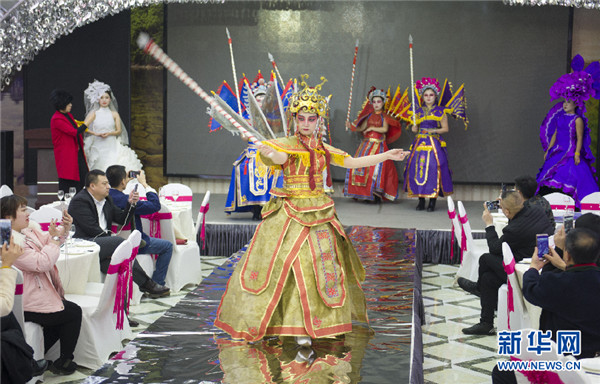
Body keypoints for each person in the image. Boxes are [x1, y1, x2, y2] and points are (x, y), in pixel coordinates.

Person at [214, 76, 408, 346]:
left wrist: (386, 156)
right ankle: (287, 324)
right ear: (295, 119)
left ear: (318, 120)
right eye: (301, 118)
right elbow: (280, 158)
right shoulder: (286, 145)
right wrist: (268, 152)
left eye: (311, 118)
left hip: (321, 214)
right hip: (290, 213)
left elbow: (351, 162)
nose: (306, 123)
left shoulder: (322, 147)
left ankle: (317, 323)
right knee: (288, 267)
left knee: (323, 268)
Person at [492, 228, 600, 383]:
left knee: (502, 371)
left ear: (567, 254)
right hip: (594, 363)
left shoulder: (557, 283)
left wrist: (534, 268)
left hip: (565, 361)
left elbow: (530, 290)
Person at [1, 194, 82, 375]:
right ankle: (63, 362)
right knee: (73, 312)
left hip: (38, 293)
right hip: (26, 301)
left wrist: (63, 229)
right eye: (22, 210)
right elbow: (42, 263)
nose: (28, 213)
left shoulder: (27, 231)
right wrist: (54, 240)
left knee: (65, 312)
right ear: (8, 217)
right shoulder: (10, 243)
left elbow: (48, 240)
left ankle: (35, 356)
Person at [457, 190, 554, 335]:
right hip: (538, 258)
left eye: (503, 209)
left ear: (507, 211)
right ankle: (486, 323)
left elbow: (495, 249)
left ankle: (478, 288)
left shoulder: (514, 229)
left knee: (486, 258)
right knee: (488, 278)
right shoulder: (536, 210)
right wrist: (508, 209)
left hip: (525, 269)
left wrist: (489, 225)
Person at [68, 170, 169, 298]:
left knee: (122, 263)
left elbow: (123, 219)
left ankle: (127, 300)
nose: (108, 187)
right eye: (104, 184)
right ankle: (149, 284)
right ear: (92, 186)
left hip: (101, 248)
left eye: (108, 183)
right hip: (85, 244)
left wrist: (131, 204)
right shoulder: (80, 201)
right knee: (119, 243)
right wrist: (112, 247)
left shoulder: (107, 199)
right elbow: (92, 230)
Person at [536, 54, 600, 206]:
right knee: (550, 172)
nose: (565, 104)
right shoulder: (560, 118)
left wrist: (577, 153)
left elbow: (579, 137)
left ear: (575, 104)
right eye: (564, 101)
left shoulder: (577, 120)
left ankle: (573, 201)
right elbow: (556, 134)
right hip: (558, 149)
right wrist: (549, 149)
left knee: (572, 173)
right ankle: (551, 201)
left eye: (569, 102)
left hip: (570, 151)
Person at [402, 77, 467, 212]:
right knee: (415, 167)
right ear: (422, 96)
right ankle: (420, 200)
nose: (428, 97)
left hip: (433, 143)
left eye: (431, 95)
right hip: (419, 143)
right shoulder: (417, 111)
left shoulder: (441, 111)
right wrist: (414, 128)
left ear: (435, 96)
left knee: (434, 168)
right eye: (426, 95)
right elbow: (414, 129)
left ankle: (432, 201)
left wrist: (434, 130)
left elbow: (445, 129)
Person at [224, 74, 282, 220]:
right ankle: (255, 208)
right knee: (241, 169)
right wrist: (247, 129)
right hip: (252, 152)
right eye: (257, 98)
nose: (260, 100)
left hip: (268, 152)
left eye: (262, 98)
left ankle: (270, 208)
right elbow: (244, 138)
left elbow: (278, 137)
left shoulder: (273, 117)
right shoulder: (248, 119)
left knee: (274, 171)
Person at [106, 166, 172, 287]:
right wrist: (144, 184)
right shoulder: (127, 200)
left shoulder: (106, 197)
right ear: (122, 181)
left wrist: (124, 181)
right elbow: (155, 205)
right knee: (167, 246)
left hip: (112, 242)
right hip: (134, 244)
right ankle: (157, 284)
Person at [344, 87, 402, 202]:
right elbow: (361, 128)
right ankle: (359, 191)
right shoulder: (369, 116)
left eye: (379, 101)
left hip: (378, 145)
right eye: (374, 102)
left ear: (383, 103)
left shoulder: (384, 117)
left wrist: (371, 127)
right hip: (366, 145)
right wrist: (350, 125)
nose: (376, 104)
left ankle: (374, 193)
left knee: (375, 168)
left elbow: (384, 129)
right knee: (360, 166)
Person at [82, 80, 142, 174]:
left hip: (111, 145)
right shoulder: (94, 114)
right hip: (97, 145)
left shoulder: (114, 114)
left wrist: (109, 133)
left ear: (110, 99)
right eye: (102, 98)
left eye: (107, 97)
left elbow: (119, 131)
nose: (104, 100)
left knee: (113, 164)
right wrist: (95, 133)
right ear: (98, 99)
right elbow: (83, 127)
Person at [50, 89, 92, 193]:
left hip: (76, 152)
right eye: (68, 103)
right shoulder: (57, 119)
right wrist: (88, 122)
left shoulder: (68, 115)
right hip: (67, 155)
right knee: (69, 180)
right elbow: (74, 132)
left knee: (83, 176)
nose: (71, 105)